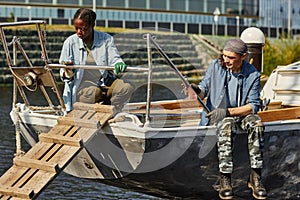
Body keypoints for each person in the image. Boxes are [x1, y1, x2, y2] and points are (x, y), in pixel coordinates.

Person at [188, 38, 267, 199]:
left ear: (243, 56)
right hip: (221, 118)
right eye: (224, 56)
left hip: (240, 115)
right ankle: (225, 178)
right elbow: (204, 89)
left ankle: (255, 176)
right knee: (226, 125)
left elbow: (253, 106)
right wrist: (196, 91)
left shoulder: (253, 74)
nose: (226, 60)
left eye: (231, 57)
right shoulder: (215, 66)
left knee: (257, 124)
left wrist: (226, 112)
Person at [59, 8, 134, 112]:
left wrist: (119, 64)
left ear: (92, 25)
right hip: (83, 86)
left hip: (104, 82)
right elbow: (63, 74)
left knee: (127, 87)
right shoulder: (70, 43)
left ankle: (111, 110)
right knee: (95, 93)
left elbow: (114, 59)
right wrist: (68, 71)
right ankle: (99, 108)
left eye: (83, 28)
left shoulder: (106, 39)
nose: (79, 32)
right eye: (76, 28)